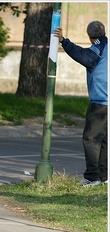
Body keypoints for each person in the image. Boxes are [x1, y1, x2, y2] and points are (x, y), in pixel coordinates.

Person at [54, 21, 107, 187]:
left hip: (101, 102)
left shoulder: (100, 45)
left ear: (90, 36)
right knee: (103, 140)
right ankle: (103, 176)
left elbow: (86, 57)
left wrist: (64, 41)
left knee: (91, 139)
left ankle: (92, 177)